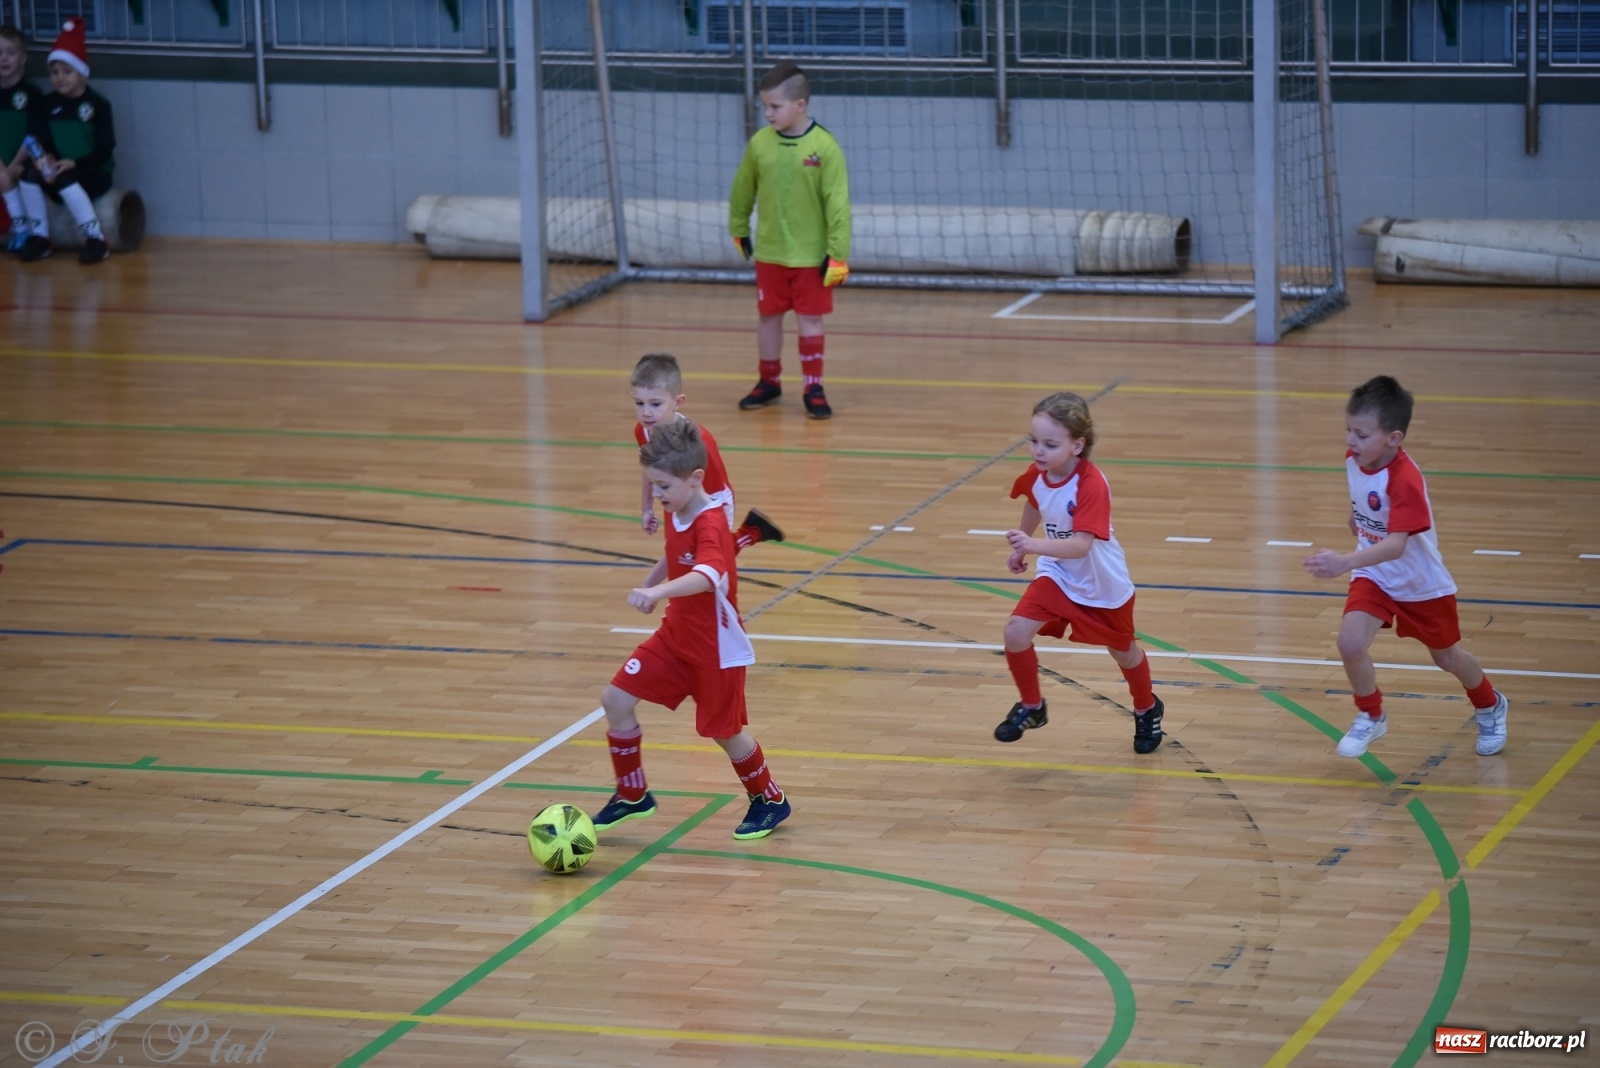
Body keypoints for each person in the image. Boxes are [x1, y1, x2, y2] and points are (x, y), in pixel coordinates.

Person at [591, 419, 793, 840]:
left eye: (663, 487)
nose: (657, 495)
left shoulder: (711, 522)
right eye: (654, 486)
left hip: (714, 650)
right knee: (615, 700)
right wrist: (650, 585)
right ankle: (632, 795)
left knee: (726, 734)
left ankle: (769, 798)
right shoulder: (678, 509)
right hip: (674, 638)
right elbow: (673, 553)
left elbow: (707, 574)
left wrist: (660, 591)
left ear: (695, 478)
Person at [1303, 375, 1508, 758]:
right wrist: (1357, 518)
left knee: (1446, 657)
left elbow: (1397, 546)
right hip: (1375, 575)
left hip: (1419, 583)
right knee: (1349, 643)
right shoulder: (1354, 459)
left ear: (1393, 438)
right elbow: (1366, 503)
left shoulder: (1405, 479)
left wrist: (1344, 561)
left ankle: (1489, 704)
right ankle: (1371, 715)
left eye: (1361, 434)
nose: (1351, 441)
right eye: (1349, 430)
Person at [996, 393, 1166, 754]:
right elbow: (1033, 500)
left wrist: (1031, 545)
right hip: (1057, 573)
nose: (1038, 451)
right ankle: (1032, 706)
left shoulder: (1091, 484)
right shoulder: (1038, 475)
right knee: (1015, 632)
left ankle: (1147, 708)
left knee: (1124, 652)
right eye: (1033, 441)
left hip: (1100, 582)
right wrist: (1020, 547)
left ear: (1078, 445)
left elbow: (1080, 546)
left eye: (1050, 444)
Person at [728, 61, 851, 420]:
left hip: (811, 257)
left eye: (775, 106)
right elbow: (742, 190)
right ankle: (769, 382)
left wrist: (838, 253)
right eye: (764, 106)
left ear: (801, 105)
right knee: (768, 317)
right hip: (770, 253)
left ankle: (813, 387)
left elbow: (838, 205)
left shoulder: (824, 148)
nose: (768, 113)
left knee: (810, 320)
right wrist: (739, 228)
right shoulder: (759, 144)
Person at [631, 353, 784, 551]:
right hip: (677, 496)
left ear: (677, 402)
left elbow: (717, 485)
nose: (646, 412)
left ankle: (751, 532)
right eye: (639, 403)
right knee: (682, 554)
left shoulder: (698, 440)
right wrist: (647, 508)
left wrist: (715, 515)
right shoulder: (642, 430)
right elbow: (649, 469)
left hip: (712, 500)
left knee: (711, 553)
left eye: (655, 404)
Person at [18, 19, 115, 264]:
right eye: (55, 72)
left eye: (67, 71)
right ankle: (40, 238)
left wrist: (75, 164)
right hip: (57, 169)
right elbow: (35, 138)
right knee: (28, 174)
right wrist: (43, 161)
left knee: (65, 177)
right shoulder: (46, 104)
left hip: (92, 172)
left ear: (81, 72)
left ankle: (96, 240)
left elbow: (105, 149)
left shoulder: (98, 105)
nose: (60, 78)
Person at [0, 24, 47, 252]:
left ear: (23, 58)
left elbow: (33, 137)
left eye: (10, 52)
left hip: (23, 161)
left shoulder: (33, 94)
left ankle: (22, 231)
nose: (3, 59)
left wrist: (14, 165)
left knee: (10, 178)